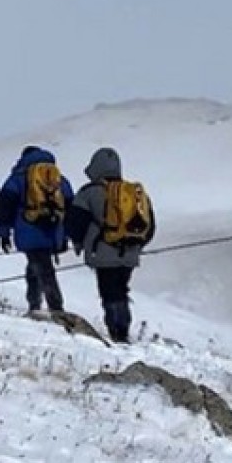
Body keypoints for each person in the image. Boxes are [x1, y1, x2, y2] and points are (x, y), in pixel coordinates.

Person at [64, 147, 154, 343]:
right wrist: (135, 245)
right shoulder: (135, 194)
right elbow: (150, 226)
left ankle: (118, 333)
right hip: (130, 255)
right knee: (121, 290)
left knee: (110, 293)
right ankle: (122, 329)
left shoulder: (89, 193)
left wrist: (80, 243)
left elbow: (74, 223)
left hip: (102, 253)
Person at [0, 146, 73, 314]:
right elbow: (70, 207)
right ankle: (35, 304)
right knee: (38, 265)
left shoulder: (18, 178)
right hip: (53, 230)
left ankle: (55, 308)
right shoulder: (58, 179)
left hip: (29, 230)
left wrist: (4, 234)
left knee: (43, 268)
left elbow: (4, 206)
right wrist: (66, 235)